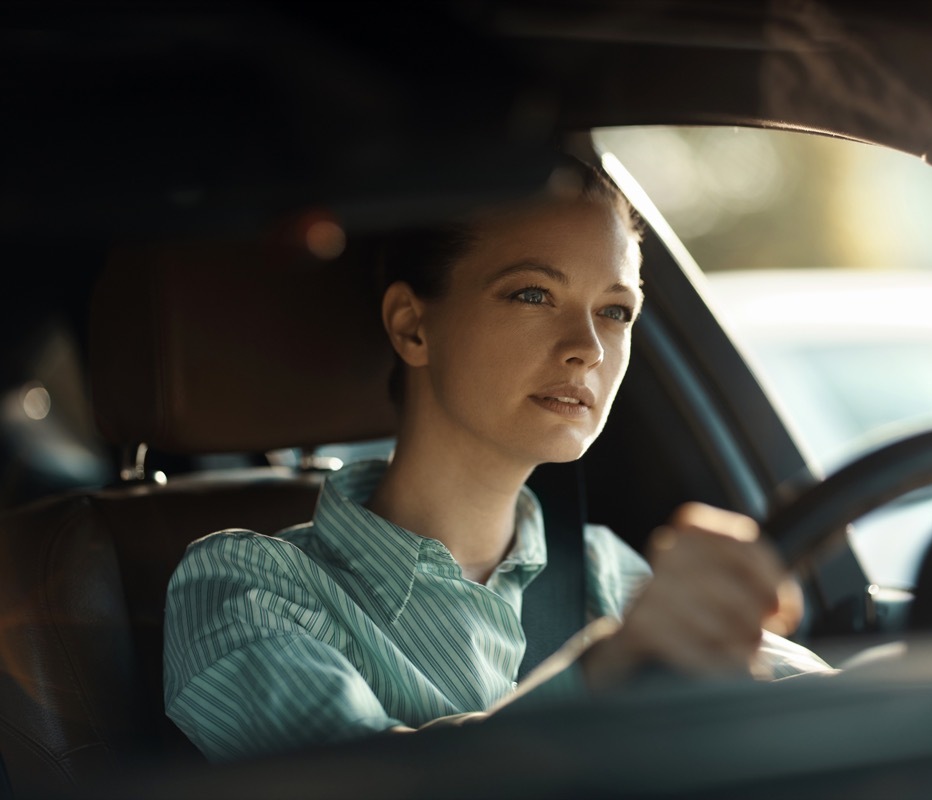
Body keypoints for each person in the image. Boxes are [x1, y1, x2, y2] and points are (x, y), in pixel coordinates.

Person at [163, 159, 831, 763]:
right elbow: (352, 783)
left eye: (616, 311)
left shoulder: (606, 570)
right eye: (534, 294)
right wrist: (603, 674)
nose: (590, 348)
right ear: (412, 326)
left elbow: (827, 711)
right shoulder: (245, 584)